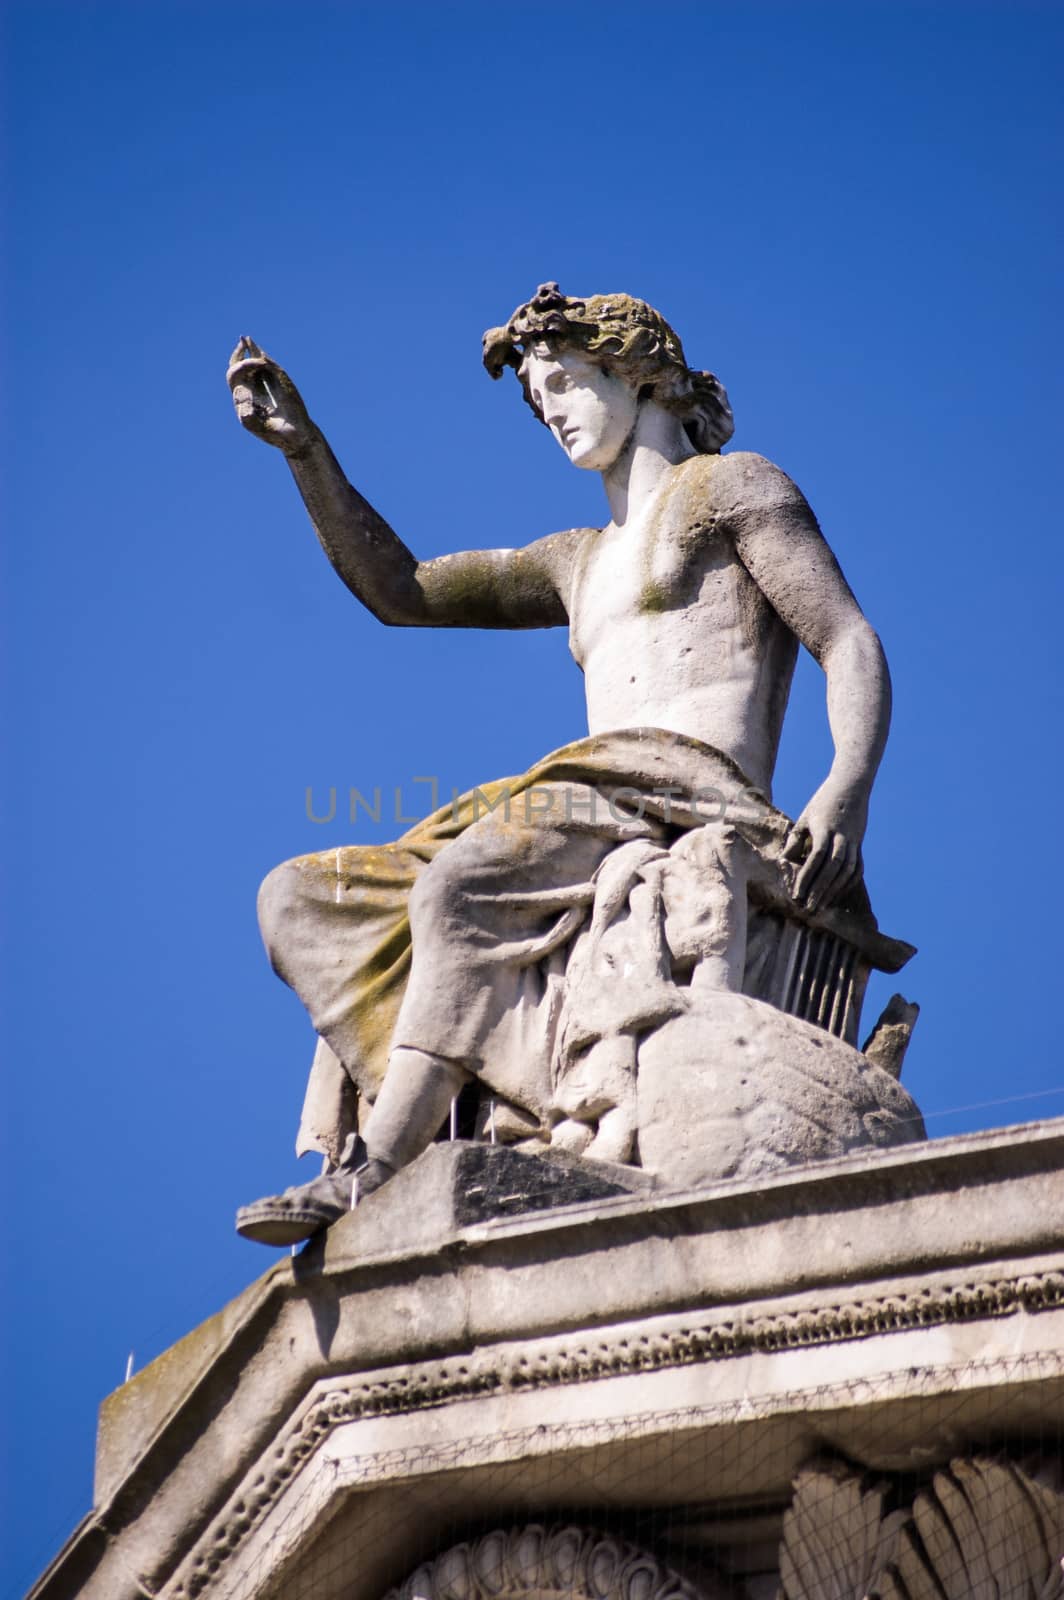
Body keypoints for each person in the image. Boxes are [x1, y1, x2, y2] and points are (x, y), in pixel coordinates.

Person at [226, 284, 892, 1244]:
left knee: (459, 885)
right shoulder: (575, 559)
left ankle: (377, 1164)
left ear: (638, 375)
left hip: (687, 786)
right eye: (541, 403)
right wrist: (305, 450)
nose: (556, 415)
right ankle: (473, 1086)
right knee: (299, 897)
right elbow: (400, 590)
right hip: (582, 797)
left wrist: (847, 789)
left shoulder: (732, 488)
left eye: (568, 385)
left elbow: (847, 639)